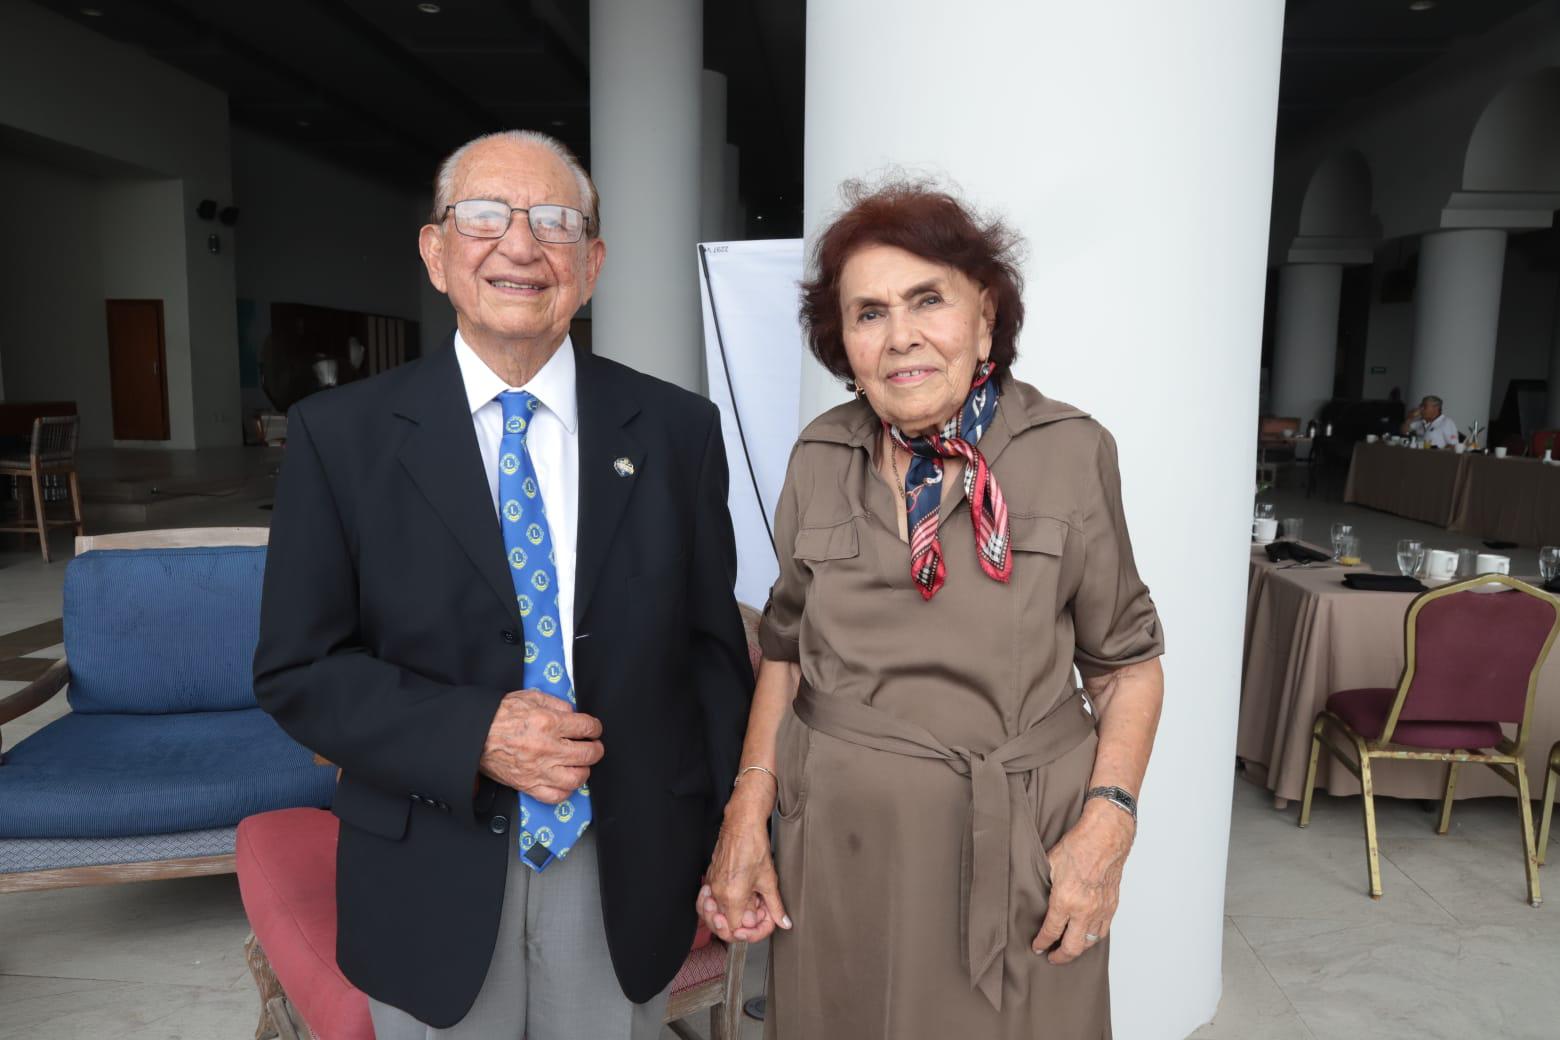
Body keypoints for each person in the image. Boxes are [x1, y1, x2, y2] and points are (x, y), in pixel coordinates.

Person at [253, 130, 752, 1040]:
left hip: (625, 861)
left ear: (591, 265)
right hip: (427, 855)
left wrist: (735, 832)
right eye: (485, 216)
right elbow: (299, 671)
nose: (520, 246)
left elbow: (711, 659)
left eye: (555, 222)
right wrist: (473, 732)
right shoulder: (340, 436)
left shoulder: (678, 430)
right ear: (435, 252)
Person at [699, 182, 1166, 1039]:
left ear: (984, 317)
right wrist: (746, 814)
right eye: (869, 313)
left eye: (927, 301)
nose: (901, 336)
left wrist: (1108, 826)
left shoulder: (1071, 451)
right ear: (843, 342)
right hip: (837, 850)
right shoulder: (818, 455)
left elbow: (1126, 665)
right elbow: (785, 651)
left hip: (1019, 850)